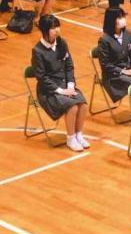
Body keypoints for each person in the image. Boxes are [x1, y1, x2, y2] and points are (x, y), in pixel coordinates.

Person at [32, 15, 89, 152]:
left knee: (82, 104)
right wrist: (61, 91)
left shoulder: (62, 43)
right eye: (53, 28)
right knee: (72, 107)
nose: (57, 30)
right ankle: (70, 138)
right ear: (45, 30)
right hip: (49, 90)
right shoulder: (37, 51)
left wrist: (70, 85)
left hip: (66, 85)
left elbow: (69, 66)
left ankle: (78, 135)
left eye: (57, 26)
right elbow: (42, 77)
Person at [97, 7, 131, 108]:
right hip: (113, 76)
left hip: (130, 70)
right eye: (119, 17)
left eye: (123, 16)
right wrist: (124, 71)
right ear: (111, 20)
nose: (122, 19)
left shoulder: (128, 34)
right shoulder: (104, 40)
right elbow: (105, 65)